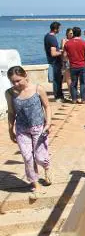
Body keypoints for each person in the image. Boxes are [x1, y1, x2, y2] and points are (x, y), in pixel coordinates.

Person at [5, 66, 52, 197]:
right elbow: (11, 112)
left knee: (40, 157)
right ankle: (35, 183)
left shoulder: (38, 89)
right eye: (12, 81)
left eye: (18, 80)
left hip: (39, 128)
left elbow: (47, 106)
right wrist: (10, 130)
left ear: (25, 75)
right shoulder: (9, 93)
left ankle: (47, 168)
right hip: (21, 129)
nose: (16, 84)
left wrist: (48, 123)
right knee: (27, 157)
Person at [63, 26, 85, 104]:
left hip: (73, 66)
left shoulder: (67, 43)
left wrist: (69, 59)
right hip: (83, 65)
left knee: (73, 83)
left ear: (73, 34)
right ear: (80, 33)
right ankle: (83, 99)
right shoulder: (84, 43)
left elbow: (65, 56)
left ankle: (74, 99)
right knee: (83, 83)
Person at [44, 21, 64, 101]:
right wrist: (62, 51)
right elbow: (53, 53)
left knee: (57, 79)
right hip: (55, 62)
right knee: (57, 80)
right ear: (56, 29)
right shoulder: (52, 38)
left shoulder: (47, 36)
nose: (60, 30)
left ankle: (58, 96)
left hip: (52, 61)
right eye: (59, 28)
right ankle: (58, 97)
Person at [60, 27, 73, 96]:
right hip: (65, 60)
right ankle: (69, 92)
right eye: (70, 33)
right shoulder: (64, 40)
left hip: (72, 60)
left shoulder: (74, 40)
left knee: (72, 77)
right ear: (67, 33)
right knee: (65, 77)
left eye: (72, 33)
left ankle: (72, 91)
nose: (71, 34)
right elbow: (63, 48)